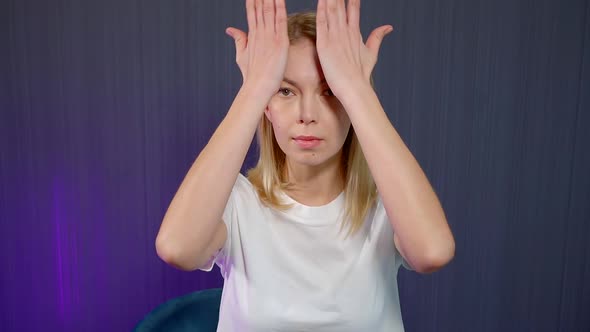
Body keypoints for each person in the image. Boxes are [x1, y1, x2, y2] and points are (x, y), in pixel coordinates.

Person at [155, 0, 455, 330]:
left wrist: (356, 87)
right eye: (285, 90)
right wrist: (254, 87)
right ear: (266, 107)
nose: (307, 114)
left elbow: (432, 252)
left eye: (329, 92)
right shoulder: (235, 203)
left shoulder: (389, 206)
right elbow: (177, 248)